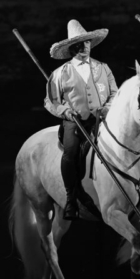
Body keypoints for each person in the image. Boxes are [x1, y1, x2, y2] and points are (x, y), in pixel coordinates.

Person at [45, 19, 118, 221]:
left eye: (86, 43)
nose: (84, 47)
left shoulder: (103, 68)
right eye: (78, 44)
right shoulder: (59, 74)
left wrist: (108, 107)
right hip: (75, 121)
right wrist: (65, 111)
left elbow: (114, 93)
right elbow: (50, 102)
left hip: (102, 120)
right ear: (71, 49)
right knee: (70, 152)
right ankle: (71, 198)